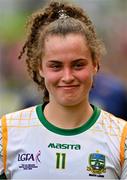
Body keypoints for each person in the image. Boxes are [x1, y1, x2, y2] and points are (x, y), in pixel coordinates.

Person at [0, 0, 127, 179]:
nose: (67, 77)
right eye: (56, 66)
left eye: (78, 65)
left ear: (96, 64)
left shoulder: (121, 137)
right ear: (40, 68)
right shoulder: (7, 131)